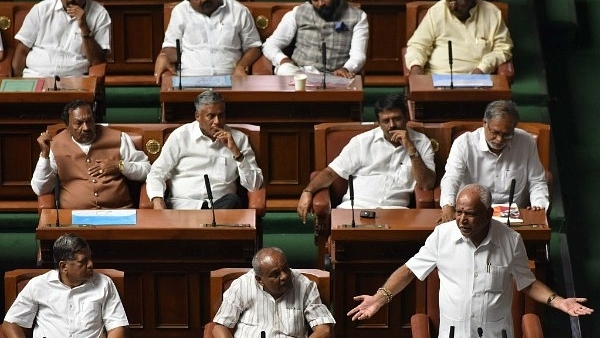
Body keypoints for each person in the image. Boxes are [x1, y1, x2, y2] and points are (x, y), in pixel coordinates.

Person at [348, 184, 593, 338]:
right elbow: (410, 270)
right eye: (458, 212)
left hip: (497, 333)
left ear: (488, 214)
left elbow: (526, 282)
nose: (462, 220)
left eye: (471, 214)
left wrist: (558, 301)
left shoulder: (510, 239)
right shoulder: (442, 236)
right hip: (454, 334)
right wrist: (380, 299)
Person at [297, 93, 436, 223]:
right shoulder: (362, 142)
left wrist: (411, 149)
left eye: (397, 118)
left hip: (396, 213)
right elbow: (331, 173)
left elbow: (427, 184)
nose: (392, 125)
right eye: (386, 121)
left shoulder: (421, 142)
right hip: (355, 209)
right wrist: (308, 191)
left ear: (406, 117)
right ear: (378, 123)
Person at [146, 90, 263, 210]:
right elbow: (156, 173)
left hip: (221, 208)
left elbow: (255, 185)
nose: (217, 121)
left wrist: (236, 153)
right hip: (183, 207)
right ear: (197, 116)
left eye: (221, 115)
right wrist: (158, 200)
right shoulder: (180, 136)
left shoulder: (238, 139)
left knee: (232, 200)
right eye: (211, 116)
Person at [439, 100, 549, 223]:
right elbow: (451, 178)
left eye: (507, 135)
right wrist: (448, 205)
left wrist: (538, 205)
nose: (499, 139)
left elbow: (537, 181)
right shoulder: (464, 143)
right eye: (495, 132)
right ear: (484, 123)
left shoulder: (526, 142)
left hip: (513, 216)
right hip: (474, 214)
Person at [2, 233, 129, 338]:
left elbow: (117, 326)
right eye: (83, 261)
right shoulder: (38, 285)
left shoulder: (104, 284)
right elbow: (11, 323)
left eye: (90, 258)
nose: (91, 264)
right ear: (64, 266)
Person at [31, 100, 151, 209]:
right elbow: (41, 189)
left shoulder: (118, 138)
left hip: (118, 212)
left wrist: (120, 166)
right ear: (67, 126)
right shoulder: (55, 145)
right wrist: (44, 155)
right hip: (74, 216)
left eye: (89, 121)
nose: (86, 128)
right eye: (79, 123)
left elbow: (147, 170)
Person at [212, 247, 335, 338]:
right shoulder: (242, 285)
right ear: (259, 280)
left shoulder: (304, 285)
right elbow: (220, 327)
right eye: (275, 274)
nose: (285, 276)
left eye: (286, 268)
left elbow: (324, 329)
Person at [154, 0, 262, 84]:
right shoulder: (180, 12)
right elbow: (172, 47)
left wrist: (241, 67)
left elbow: (254, 46)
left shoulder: (239, 11)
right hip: (190, 80)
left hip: (229, 79)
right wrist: (164, 55)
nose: (204, 0)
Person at [262, 0, 368, 78]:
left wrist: (346, 68)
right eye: (315, 0)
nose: (321, 3)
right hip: (298, 73)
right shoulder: (297, 12)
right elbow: (270, 44)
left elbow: (358, 55)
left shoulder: (358, 16)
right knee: (285, 70)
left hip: (335, 75)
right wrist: (283, 59)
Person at [404, 0, 513, 76]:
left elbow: (503, 49)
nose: (453, 6)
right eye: (449, 1)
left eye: (459, 1)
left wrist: (483, 68)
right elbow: (418, 45)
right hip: (436, 79)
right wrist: (416, 66)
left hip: (477, 81)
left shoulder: (492, 13)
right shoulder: (436, 12)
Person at [12, 0, 111, 77]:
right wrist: (16, 84)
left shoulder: (100, 14)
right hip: (35, 76)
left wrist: (84, 28)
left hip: (75, 80)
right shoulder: (41, 9)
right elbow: (22, 51)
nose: (70, 0)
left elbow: (97, 61)